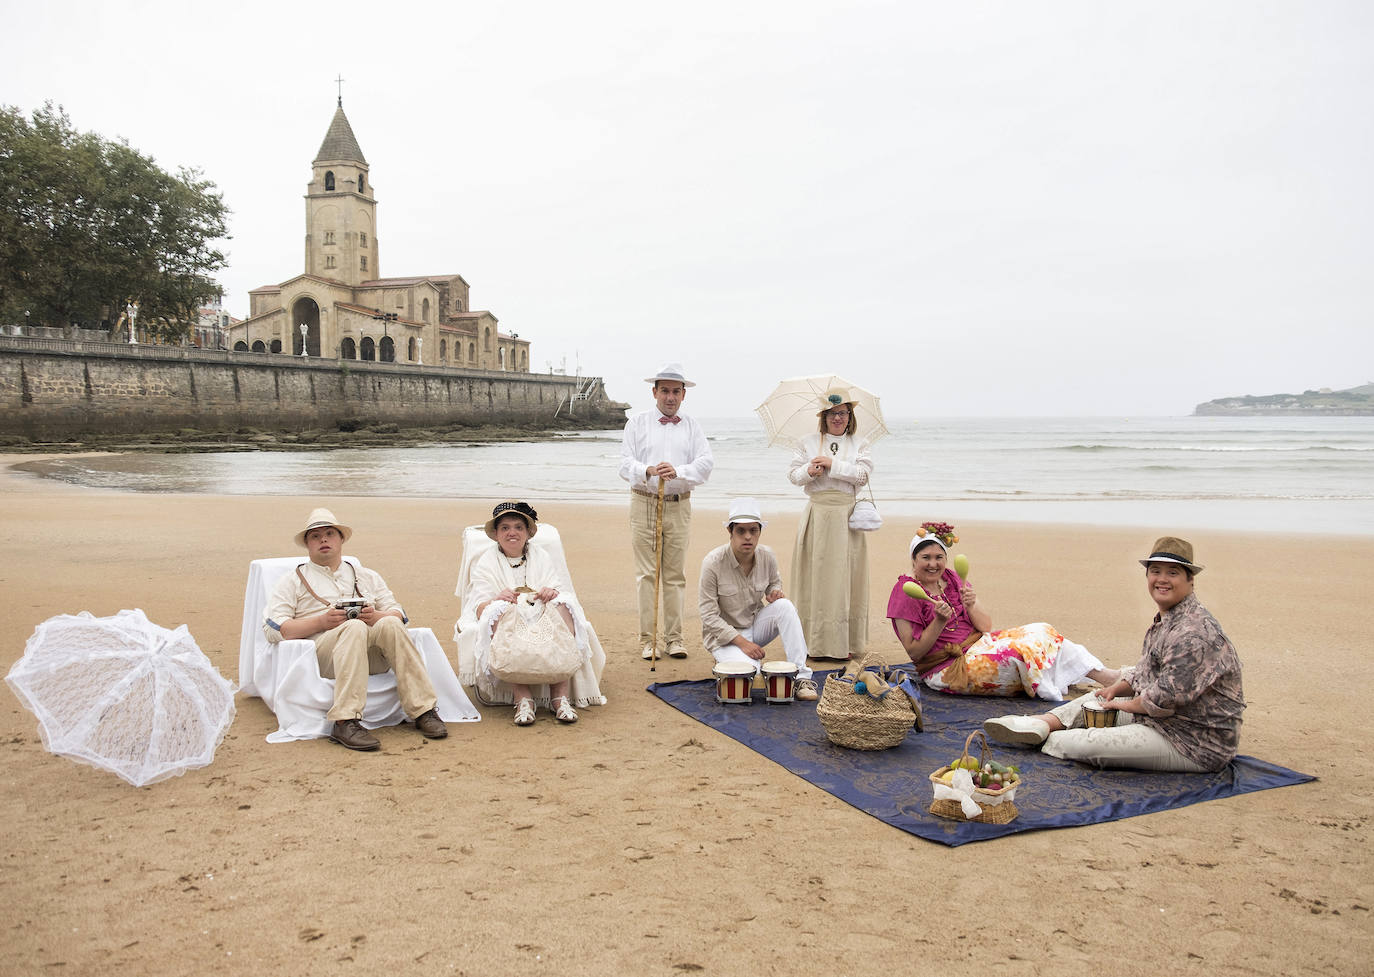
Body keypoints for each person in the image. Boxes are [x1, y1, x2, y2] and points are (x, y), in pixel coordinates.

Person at [983, 536, 1245, 772]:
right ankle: (1041, 723)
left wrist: (1122, 705)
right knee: (1095, 697)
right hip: (1161, 719)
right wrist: (1116, 690)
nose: (1162, 579)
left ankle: (1046, 737)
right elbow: (1145, 672)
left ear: (1190, 580)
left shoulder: (1193, 633)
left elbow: (1163, 697)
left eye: (1173, 573)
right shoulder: (1170, 618)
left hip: (1192, 741)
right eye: (1155, 571)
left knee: (1080, 742)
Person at [264, 507, 447, 751]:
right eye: (315, 536)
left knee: (389, 623)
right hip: (327, 655)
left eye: (330, 533)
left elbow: (398, 614)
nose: (324, 540)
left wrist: (376, 616)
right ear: (307, 545)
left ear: (341, 539)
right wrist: (321, 622)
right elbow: (275, 630)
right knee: (352, 627)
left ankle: (423, 710)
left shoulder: (366, 575)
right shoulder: (292, 580)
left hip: (372, 653)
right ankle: (345, 720)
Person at [887, 523, 1117, 699]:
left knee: (1042, 631)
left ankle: (1104, 675)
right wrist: (938, 622)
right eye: (925, 558)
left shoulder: (951, 577)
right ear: (913, 560)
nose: (933, 564)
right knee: (1020, 654)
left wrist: (971, 604)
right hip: (947, 668)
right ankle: (1083, 679)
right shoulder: (905, 591)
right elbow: (915, 653)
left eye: (939, 557)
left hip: (978, 644)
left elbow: (985, 627)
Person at [469, 501, 605, 726]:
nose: (512, 533)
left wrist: (551, 592)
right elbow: (479, 607)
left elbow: (558, 587)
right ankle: (523, 699)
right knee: (497, 612)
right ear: (496, 534)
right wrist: (497, 599)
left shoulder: (540, 555)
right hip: (510, 617)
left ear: (527, 533)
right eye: (505, 528)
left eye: (518, 527)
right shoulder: (486, 561)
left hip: (541, 612)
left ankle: (559, 698)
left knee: (564, 606)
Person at [618, 362, 714, 660]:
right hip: (643, 501)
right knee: (647, 574)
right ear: (654, 392)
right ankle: (649, 640)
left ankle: (674, 639)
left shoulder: (692, 425)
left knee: (675, 575)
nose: (670, 397)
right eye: (664, 391)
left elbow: (705, 464)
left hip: (679, 504)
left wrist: (679, 471)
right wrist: (647, 469)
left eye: (675, 392)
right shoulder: (637, 423)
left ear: (683, 395)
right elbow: (623, 464)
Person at [698, 498, 819, 701]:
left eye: (753, 530)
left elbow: (774, 584)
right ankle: (729, 659)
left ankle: (802, 676)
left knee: (785, 606)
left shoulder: (767, 556)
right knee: (751, 676)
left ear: (760, 532)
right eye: (741, 531)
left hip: (755, 626)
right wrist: (743, 643)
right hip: (725, 637)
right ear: (730, 531)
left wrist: (774, 592)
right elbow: (708, 616)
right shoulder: (713, 563)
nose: (748, 537)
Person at [787, 387, 874, 661]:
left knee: (845, 577)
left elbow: (862, 475)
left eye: (843, 413)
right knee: (816, 575)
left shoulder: (860, 444)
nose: (838, 418)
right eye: (833, 413)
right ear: (823, 416)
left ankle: (844, 642)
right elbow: (793, 475)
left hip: (846, 517)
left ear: (850, 416)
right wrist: (809, 471)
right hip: (818, 514)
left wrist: (832, 463)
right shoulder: (808, 442)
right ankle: (812, 642)